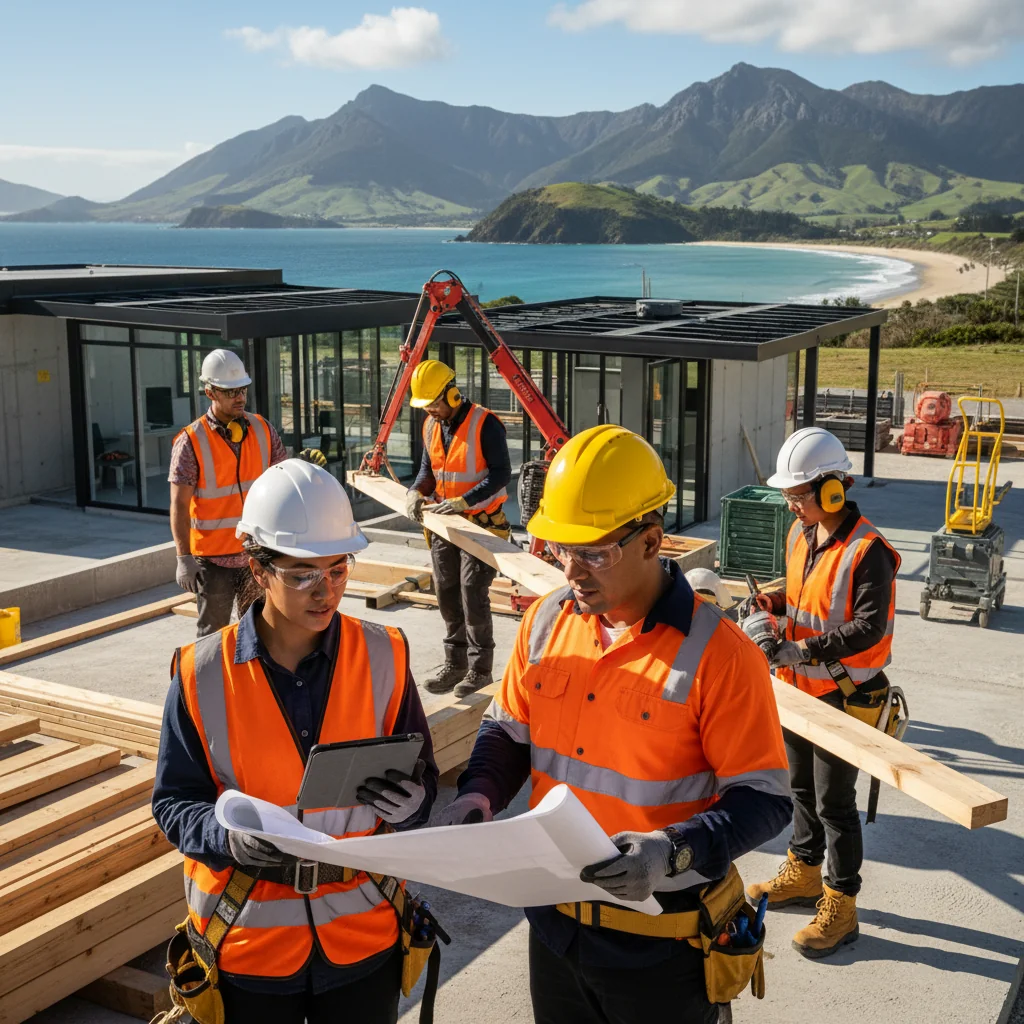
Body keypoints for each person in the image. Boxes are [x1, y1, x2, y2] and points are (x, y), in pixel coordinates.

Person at [435, 424, 792, 1024]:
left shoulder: (720, 655)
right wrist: (479, 793)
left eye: (593, 553)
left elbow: (765, 800)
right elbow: (509, 731)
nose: (572, 570)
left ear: (652, 541)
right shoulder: (546, 623)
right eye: (559, 549)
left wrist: (669, 852)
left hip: (664, 948)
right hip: (556, 929)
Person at [153, 459, 439, 1024]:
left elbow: (424, 774)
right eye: (303, 574)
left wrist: (417, 803)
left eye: (338, 570)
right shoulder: (201, 673)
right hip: (248, 946)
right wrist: (224, 837)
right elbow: (173, 803)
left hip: (364, 936)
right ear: (258, 569)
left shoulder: (385, 656)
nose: (326, 590)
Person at [746, 426, 901, 959]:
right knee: (800, 790)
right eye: (787, 496)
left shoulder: (869, 550)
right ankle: (805, 872)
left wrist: (802, 651)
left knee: (836, 803)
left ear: (833, 489)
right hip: (799, 690)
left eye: (798, 496)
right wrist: (770, 605)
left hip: (845, 694)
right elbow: (797, 594)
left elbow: (867, 628)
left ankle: (841, 903)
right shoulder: (802, 535)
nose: (791, 506)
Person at [168, 348, 324, 636]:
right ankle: (212, 682)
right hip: (213, 562)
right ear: (210, 392)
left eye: (242, 390)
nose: (239, 397)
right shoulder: (191, 441)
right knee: (213, 636)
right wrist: (183, 558)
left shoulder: (262, 429)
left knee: (262, 633)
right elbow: (179, 505)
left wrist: (304, 468)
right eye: (230, 392)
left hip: (257, 554)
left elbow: (282, 479)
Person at [403, 359, 512, 699]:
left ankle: (480, 670)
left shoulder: (485, 424)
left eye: (434, 403)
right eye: (426, 405)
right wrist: (415, 491)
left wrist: (466, 501)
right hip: (443, 524)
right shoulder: (432, 426)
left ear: (452, 394)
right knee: (446, 591)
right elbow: (428, 471)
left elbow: (501, 474)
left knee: (471, 592)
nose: (431, 410)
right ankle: (456, 664)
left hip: (480, 525)